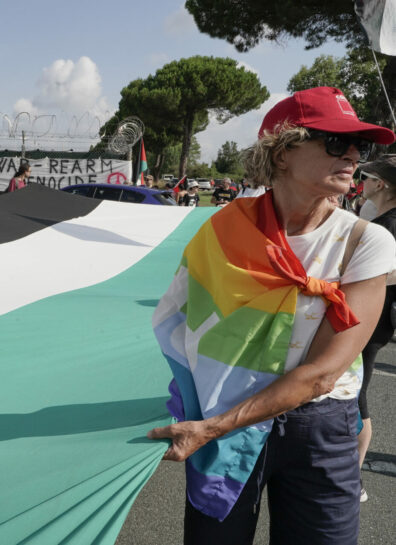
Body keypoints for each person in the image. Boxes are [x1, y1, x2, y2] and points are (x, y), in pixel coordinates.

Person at [149, 86, 396, 544]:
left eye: (361, 145)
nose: (353, 155)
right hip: (225, 407)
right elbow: (181, 322)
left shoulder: (367, 241)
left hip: (319, 426)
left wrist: (211, 428)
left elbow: (322, 374)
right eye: (336, 142)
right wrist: (193, 407)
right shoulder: (223, 229)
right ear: (282, 153)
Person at [356, 156, 396, 502]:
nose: (361, 181)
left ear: (380, 184)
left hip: (373, 317)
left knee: (356, 394)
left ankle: (353, 479)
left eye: (365, 176)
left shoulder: (385, 227)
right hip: (378, 318)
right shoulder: (381, 221)